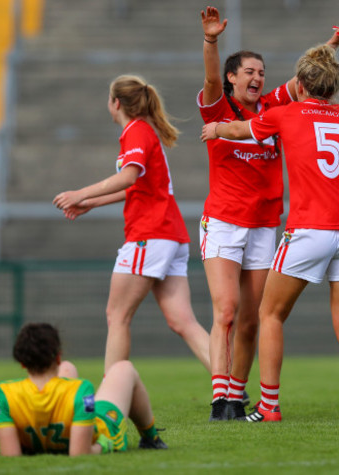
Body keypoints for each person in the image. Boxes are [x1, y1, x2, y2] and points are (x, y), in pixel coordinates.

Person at [198, 6, 339, 421]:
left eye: (261, 72)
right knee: (227, 310)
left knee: (253, 318)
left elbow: (309, 78)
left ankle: (238, 394)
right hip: (223, 221)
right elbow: (212, 79)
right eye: (248, 71)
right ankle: (221, 398)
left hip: (265, 225)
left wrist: (333, 45)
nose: (257, 78)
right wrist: (212, 41)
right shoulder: (218, 110)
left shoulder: (272, 108)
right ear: (233, 78)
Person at [52, 75, 211, 375]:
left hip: (149, 234)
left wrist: (80, 192)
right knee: (183, 321)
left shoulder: (136, 131)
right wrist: (91, 204)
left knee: (117, 315)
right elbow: (137, 187)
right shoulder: (143, 132)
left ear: (116, 103)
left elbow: (128, 177)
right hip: (170, 235)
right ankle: (229, 389)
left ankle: (111, 398)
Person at [0, 323, 167, 456]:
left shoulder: (3, 393)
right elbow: (80, 453)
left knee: (68, 368)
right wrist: (103, 445)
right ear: (58, 356)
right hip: (101, 429)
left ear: (22, 362)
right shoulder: (81, 390)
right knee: (123, 368)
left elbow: (11, 454)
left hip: (45, 425)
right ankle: (151, 438)